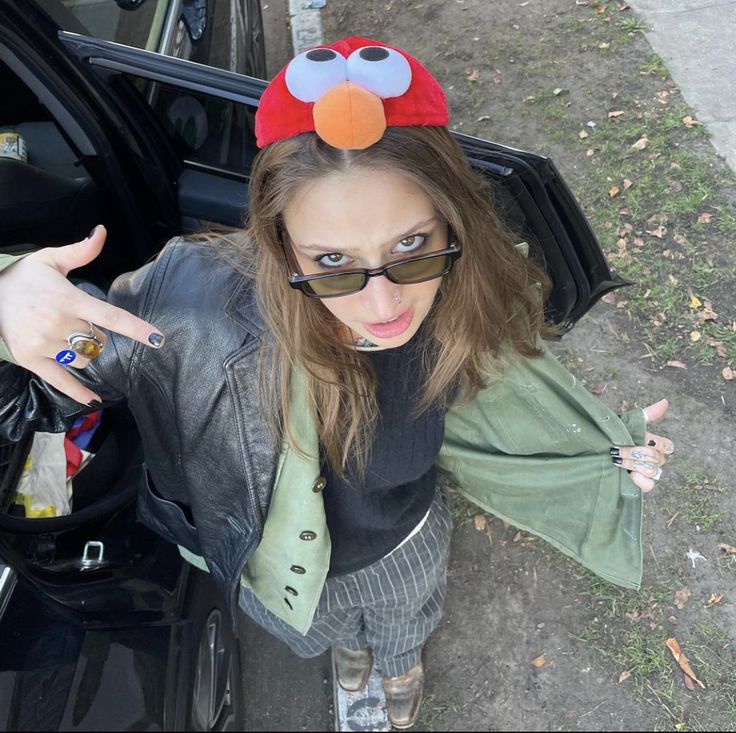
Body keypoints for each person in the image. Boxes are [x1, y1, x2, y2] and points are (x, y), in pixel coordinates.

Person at [0, 37, 673, 730]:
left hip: (406, 540)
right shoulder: (187, 304)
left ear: (450, 221)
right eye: (331, 260)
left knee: (404, 620)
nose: (382, 308)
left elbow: (518, 407)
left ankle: (399, 664)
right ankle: (353, 653)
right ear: (277, 236)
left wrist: (604, 455)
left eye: (410, 245)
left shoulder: (465, 298)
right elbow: (67, 356)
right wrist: (8, 298)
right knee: (331, 634)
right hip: (280, 568)